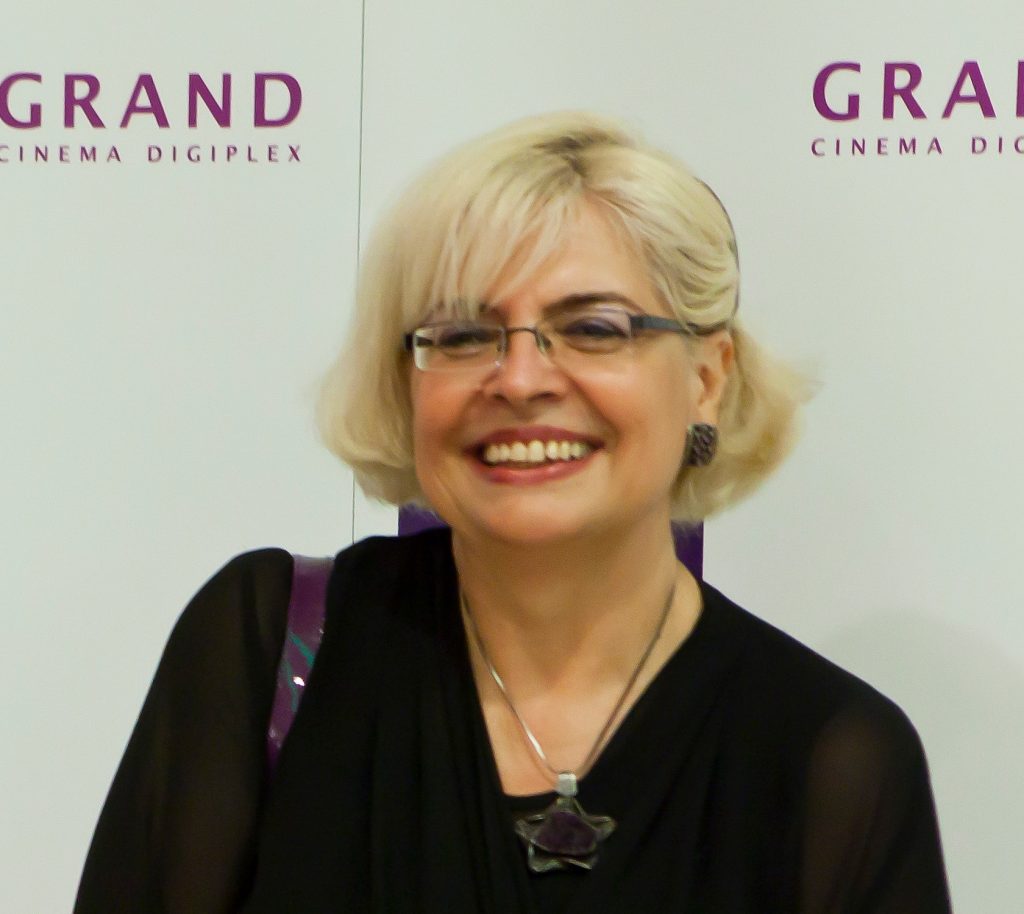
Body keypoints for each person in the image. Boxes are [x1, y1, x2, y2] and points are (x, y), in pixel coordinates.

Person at [75, 112, 951, 913]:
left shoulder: (832, 759)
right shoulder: (268, 649)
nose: (522, 379)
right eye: (462, 335)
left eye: (595, 328)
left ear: (707, 379)